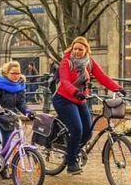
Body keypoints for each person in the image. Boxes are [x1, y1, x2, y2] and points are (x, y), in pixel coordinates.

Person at [52, 36, 123, 175]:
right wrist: (75, 92)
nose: (77, 51)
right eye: (75, 48)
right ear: (72, 49)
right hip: (64, 99)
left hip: (80, 100)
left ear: (86, 50)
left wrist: (117, 88)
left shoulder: (89, 62)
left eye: (80, 49)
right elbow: (65, 82)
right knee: (77, 129)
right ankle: (71, 163)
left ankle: (72, 150)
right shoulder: (66, 62)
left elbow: (102, 77)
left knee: (88, 131)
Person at [0, 61, 34, 171]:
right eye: (13, 73)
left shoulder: (20, 85)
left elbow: (21, 103)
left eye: (18, 73)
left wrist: (28, 111)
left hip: (9, 118)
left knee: (7, 147)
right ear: (6, 73)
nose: (16, 76)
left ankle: (1, 165)